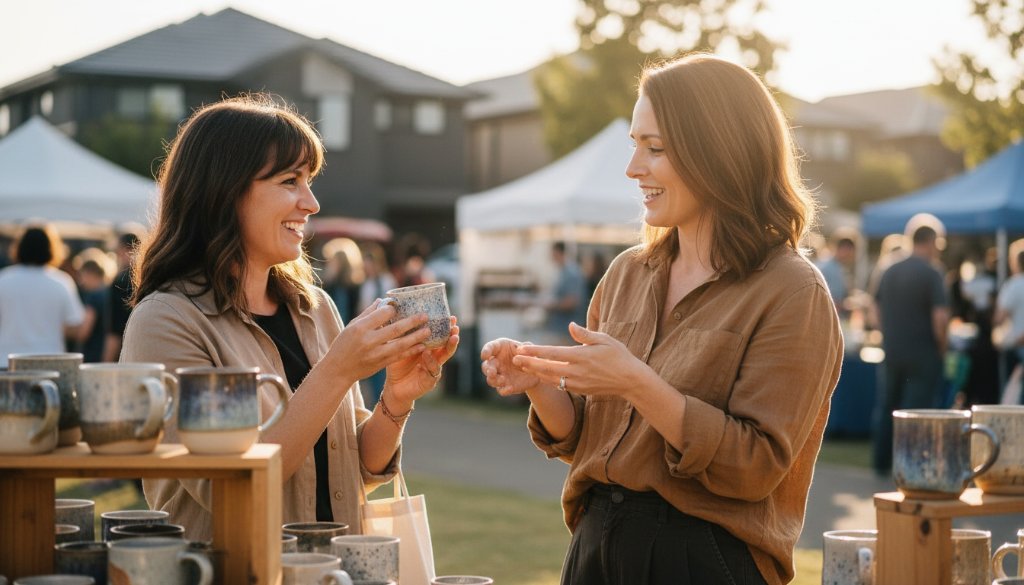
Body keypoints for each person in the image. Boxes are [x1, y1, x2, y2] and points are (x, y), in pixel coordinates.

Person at [480, 55, 843, 585]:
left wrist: (636, 382)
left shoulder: (792, 290)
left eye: (655, 148)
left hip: (702, 560)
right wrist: (540, 384)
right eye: (635, 145)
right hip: (596, 547)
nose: (633, 168)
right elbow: (589, 436)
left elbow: (755, 466)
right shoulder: (627, 273)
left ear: (717, 152)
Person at [120, 94, 459, 541]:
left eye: (310, 180)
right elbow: (227, 486)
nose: (312, 202)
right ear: (224, 191)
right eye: (289, 181)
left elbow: (357, 469)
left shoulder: (315, 308)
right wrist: (337, 370)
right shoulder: (166, 320)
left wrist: (397, 398)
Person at [871, 218, 950, 476]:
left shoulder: (889, 269)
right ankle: (913, 467)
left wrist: (886, 333)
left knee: (887, 408)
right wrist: (943, 346)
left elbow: (874, 307)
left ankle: (880, 464)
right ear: (931, 241)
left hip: (892, 350)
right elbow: (940, 318)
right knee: (918, 414)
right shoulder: (932, 272)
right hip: (923, 352)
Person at [0, 224, 86, 368]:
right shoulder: (61, 282)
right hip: (50, 362)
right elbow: (76, 326)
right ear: (52, 249)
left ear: (19, 247)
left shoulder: (3, 280)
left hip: (7, 361)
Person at [102, 232, 140, 362]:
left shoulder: (121, 281)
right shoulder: (149, 276)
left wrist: (105, 364)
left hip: (125, 352)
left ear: (125, 250)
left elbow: (115, 329)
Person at [72, 249, 112, 363]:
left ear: (90, 273)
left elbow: (84, 332)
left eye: (82, 275)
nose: (81, 281)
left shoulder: (94, 297)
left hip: (92, 357)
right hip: (107, 354)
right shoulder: (109, 293)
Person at [544, 241, 587, 344]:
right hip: (561, 328)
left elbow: (572, 302)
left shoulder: (571, 273)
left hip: (566, 330)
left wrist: (550, 305)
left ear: (557, 253)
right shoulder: (564, 271)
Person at [815, 231, 857, 316]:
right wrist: (850, 304)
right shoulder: (830, 268)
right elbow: (832, 300)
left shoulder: (835, 266)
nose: (852, 255)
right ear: (844, 249)